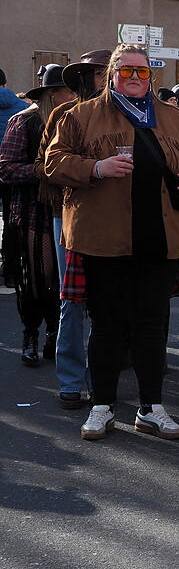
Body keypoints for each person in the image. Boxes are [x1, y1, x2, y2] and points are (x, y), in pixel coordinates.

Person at [45, 43, 179, 441]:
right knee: (107, 325)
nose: (134, 77)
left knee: (152, 326)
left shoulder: (175, 119)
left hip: (160, 237)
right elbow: (52, 162)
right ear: (112, 75)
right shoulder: (80, 115)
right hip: (103, 238)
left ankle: (151, 408)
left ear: (151, 76)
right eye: (126, 71)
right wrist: (96, 167)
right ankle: (101, 406)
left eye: (142, 71)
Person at [40, 50, 111, 407]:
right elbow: (45, 164)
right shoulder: (65, 113)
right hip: (68, 215)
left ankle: (102, 378)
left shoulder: (127, 115)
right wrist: (92, 168)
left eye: (107, 73)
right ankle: (70, 380)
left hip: (115, 218)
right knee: (71, 300)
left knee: (110, 301)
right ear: (84, 79)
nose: (105, 80)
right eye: (99, 74)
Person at [0, 64, 74, 365]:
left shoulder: (76, 119)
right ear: (52, 94)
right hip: (34, 211)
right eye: (68, 91)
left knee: (61, 280)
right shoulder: (25, 121)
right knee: (37, 278)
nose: (74, 96)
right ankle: (30, 335)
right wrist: (43, 172)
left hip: (68, 210)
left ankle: (54, 335)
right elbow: (6, 168)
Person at [0, 68, 29, 289]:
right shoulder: (22, 108)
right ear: (5, 84)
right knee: (12, 222)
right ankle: (11, 271)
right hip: (12, 171)